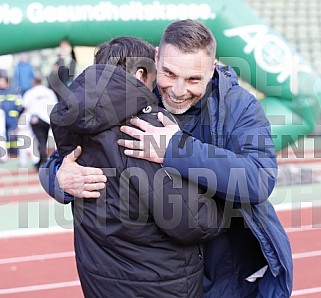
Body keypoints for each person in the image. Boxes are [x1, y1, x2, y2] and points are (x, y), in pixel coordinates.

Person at [40, 20, 293, 297]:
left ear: (213, 69)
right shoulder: (137, 93)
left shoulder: (239, 105)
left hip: (225, 270)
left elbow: (258, 178)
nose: (178, 90)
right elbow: (74, 153)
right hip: (165, 272)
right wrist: (58, 179)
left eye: (194, 79)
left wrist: (175, 149)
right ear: (156, 59)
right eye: (170, 74)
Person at [48, 36, 228, 297]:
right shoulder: (144, 129)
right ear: (142, 73)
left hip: (98, 280)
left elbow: (55, 165)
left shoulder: (72, 122)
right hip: (159, 283)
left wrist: (54, 178)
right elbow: (190, 222)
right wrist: (227, 206)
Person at [22, 77, 58, 169]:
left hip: (36, 119)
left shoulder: (30, 92)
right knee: (43, 140)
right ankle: (42, 160)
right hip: (47, 120)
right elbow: (55, 105)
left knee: (40, 140)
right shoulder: (49, 92)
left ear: (33, 82)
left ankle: (42, 160)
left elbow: (25, 107)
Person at [0, 71, 23, 156]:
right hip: (2, 119)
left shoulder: (14, 90)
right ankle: (7, 153)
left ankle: (15, 152)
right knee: (4, 136)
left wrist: (18, 117)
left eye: (2, 81)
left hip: (12, 118)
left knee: (14, 135)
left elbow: (19, 105)